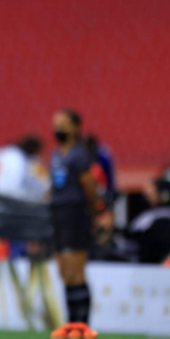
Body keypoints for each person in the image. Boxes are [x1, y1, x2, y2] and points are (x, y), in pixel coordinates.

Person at [50, 109, 97, 324]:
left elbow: (89, 185)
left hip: (75, 214)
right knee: (64, 270)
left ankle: (81, 324)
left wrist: (93, 212)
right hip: (58, 214)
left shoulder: (79, 155)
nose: (58, 128)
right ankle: (71, 322)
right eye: (56, 123)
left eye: (63, 124)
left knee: (76, 269)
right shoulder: (56, 155)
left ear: (76, 127)